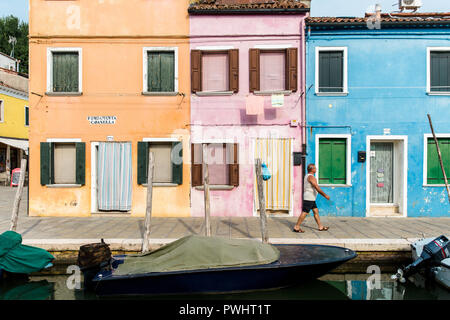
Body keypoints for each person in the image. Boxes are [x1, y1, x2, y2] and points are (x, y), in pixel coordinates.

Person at [293, 164, 330, 233]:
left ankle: (320, 226)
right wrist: (325, 195)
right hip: (309, 198)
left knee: (315, 211)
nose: (316, 169)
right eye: (315, 168)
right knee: (305, 212)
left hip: (311, 198)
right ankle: (296, 227)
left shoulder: (308, 176)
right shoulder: (311, 177)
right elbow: (316, 187)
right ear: (312, 169)